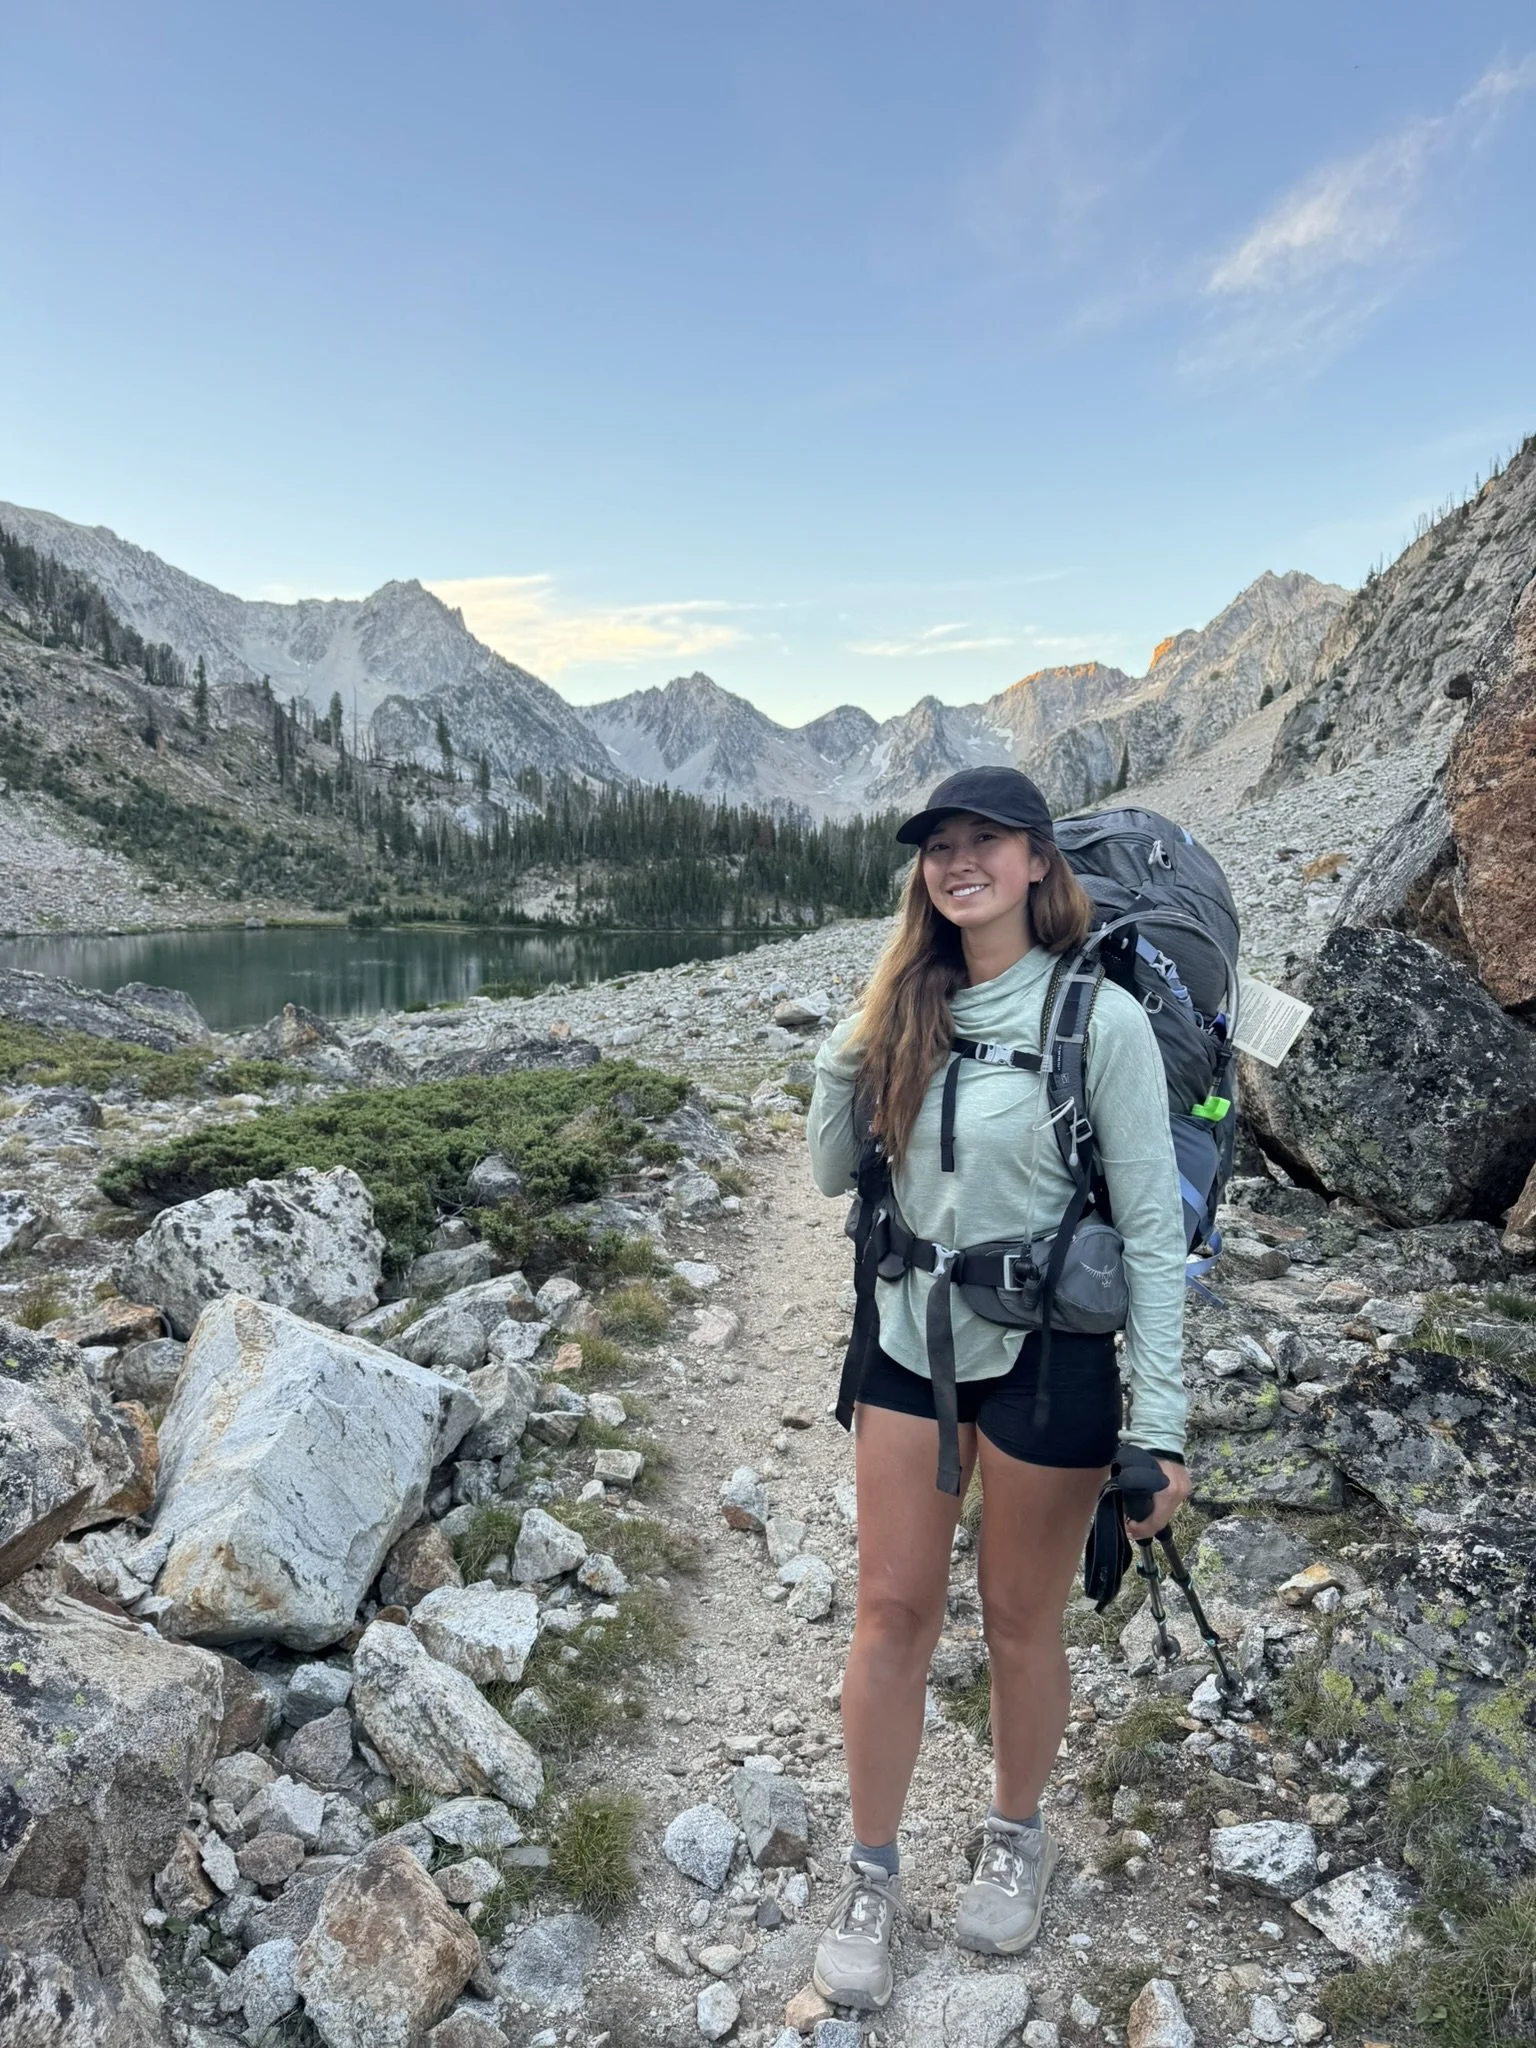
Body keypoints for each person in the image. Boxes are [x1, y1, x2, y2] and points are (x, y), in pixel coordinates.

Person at [805, 765, 1191, 2010]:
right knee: (890, 1614)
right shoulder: (905, 1010)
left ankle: (1016, 1835)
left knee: (1023, 1620)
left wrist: (1164, 1426)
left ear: (1038, 860)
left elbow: (1149, 1238)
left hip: (1048, 1355)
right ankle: (871, 1871)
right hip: (910, 1340)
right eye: (939, 847)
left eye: (987, 841)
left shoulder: (1103, 1022)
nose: (959, 861)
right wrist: (855, 1027)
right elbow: (826, 1170)